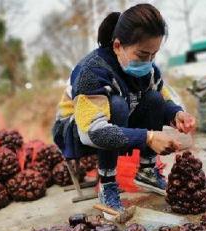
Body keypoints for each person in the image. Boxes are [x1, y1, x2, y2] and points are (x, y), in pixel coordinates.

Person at [52, 3, 196, 212]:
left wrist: (177, 115)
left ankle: (147, 171)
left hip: (112, 121)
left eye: (153, 55)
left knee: (153, 98)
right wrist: (149, 137)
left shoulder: (147, 69)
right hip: (77, 131)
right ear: (118, 45)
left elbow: (162, 100)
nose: (148, 62)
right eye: (142, 54)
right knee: (117, 106)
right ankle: (108, 183)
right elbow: (94, 132)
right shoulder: (91, 72)